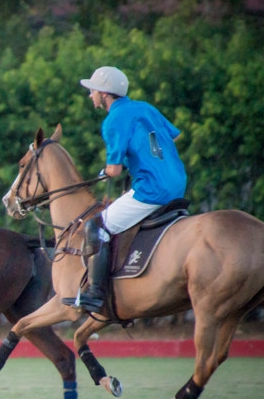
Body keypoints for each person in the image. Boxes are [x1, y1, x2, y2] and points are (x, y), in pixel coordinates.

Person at [77, 66, 187, 313]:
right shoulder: (145, 108)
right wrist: (147, 153)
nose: (91, 95)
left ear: (105, 94)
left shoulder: (113, 120)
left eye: (93, 91)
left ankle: (95, 293)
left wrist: (103, 173)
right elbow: (172, 137)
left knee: (96, 226)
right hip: (177, 182)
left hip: (152, 189)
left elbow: (114, 170)